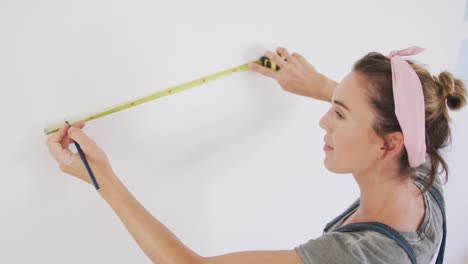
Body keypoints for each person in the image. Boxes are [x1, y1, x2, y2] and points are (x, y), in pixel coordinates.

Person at [46, 46, 467, 263]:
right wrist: (322, 85)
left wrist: (102, 178)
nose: (323, 123)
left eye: (339, 113)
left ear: (388, 143)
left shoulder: (360, 257)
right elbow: (396, 113)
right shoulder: (418, 165)